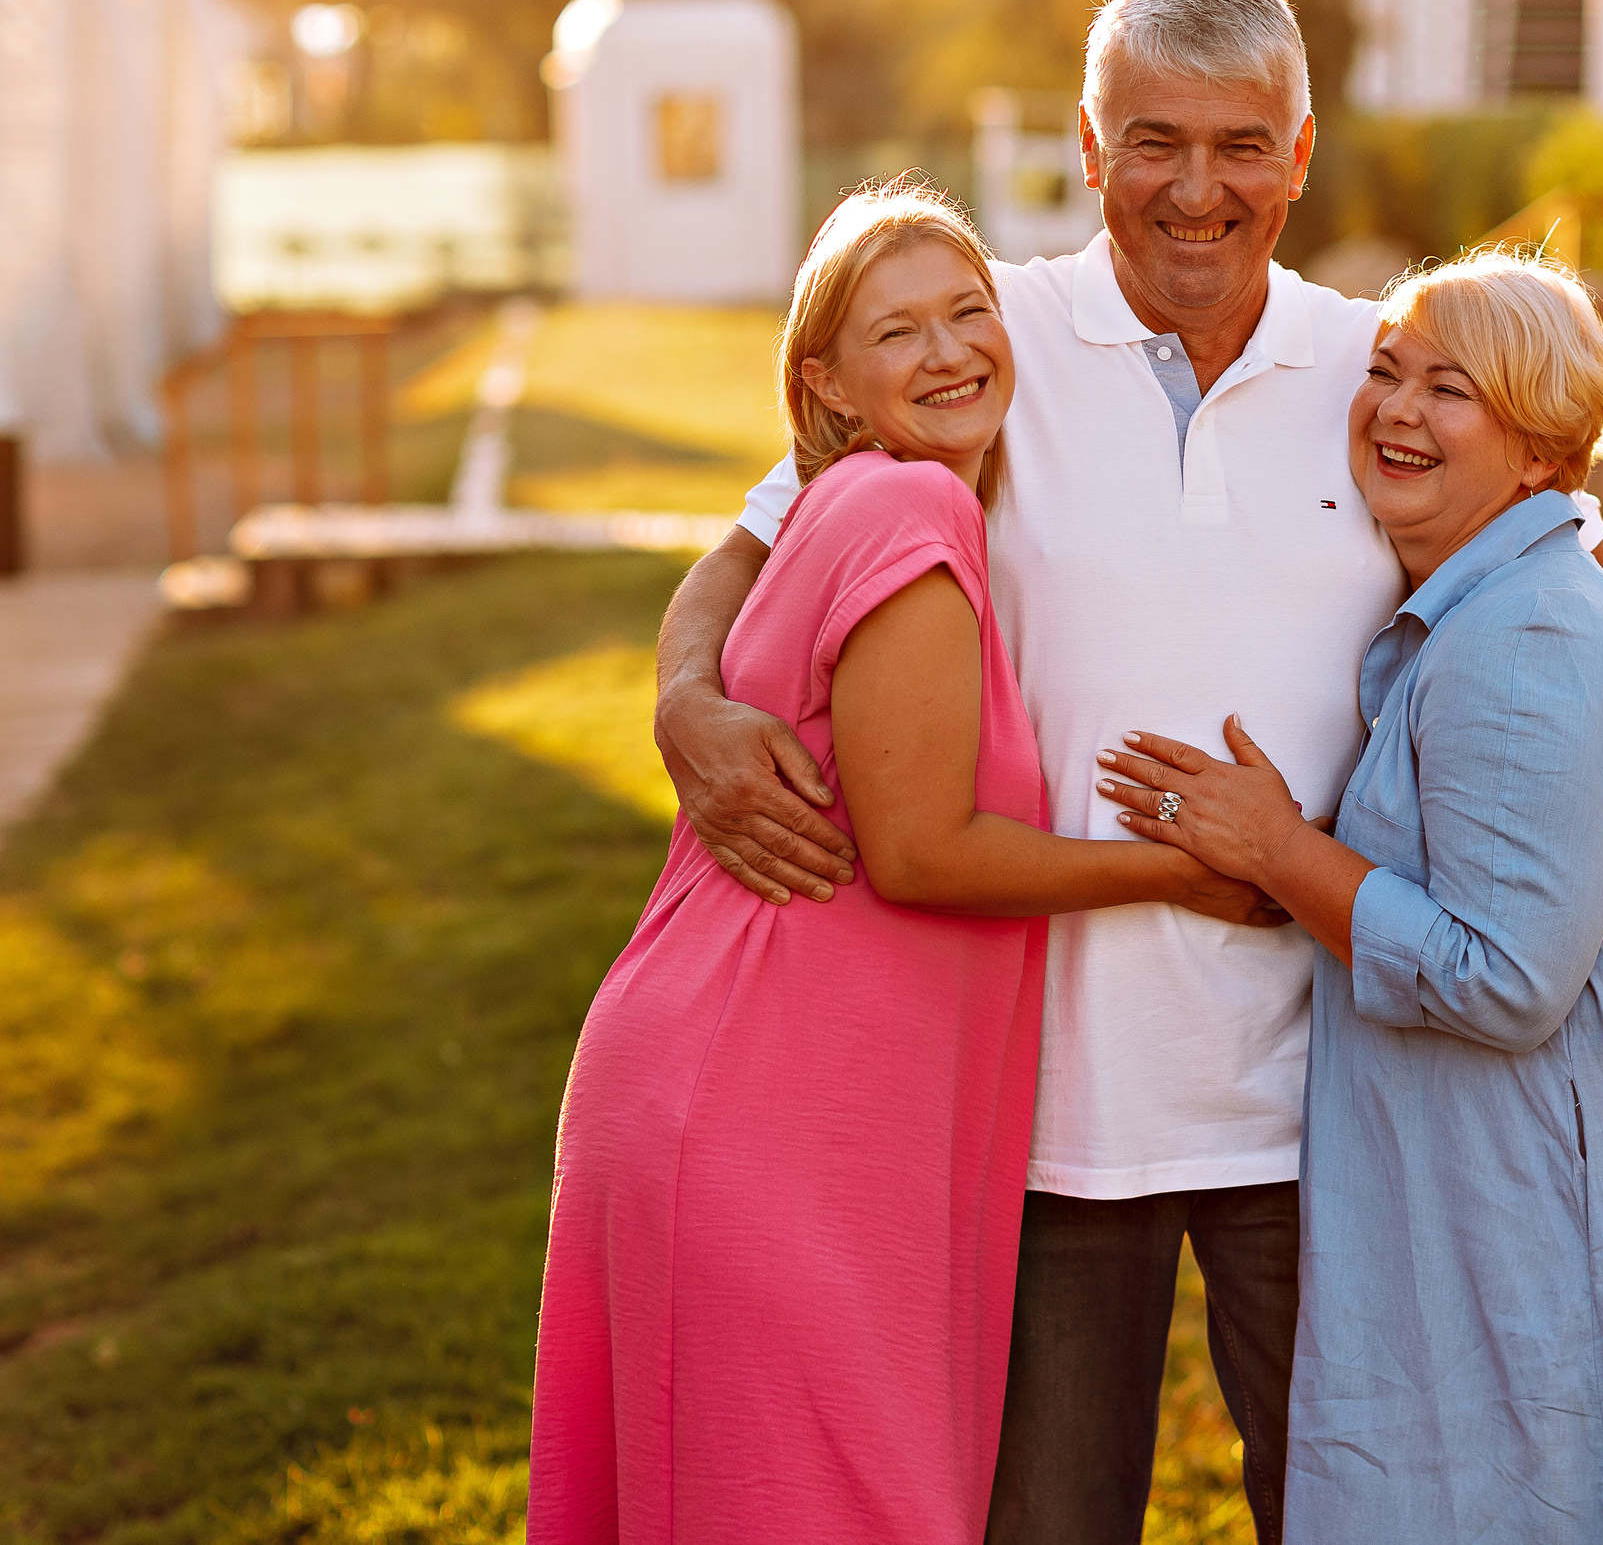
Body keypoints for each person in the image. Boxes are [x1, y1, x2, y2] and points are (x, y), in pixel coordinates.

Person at [648, 0, 1603, 1543]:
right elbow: (755, 541)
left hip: (1335, 1100)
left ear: (1300, 153)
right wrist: (686, 700)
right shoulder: (989, 338)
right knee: (1049, 1523)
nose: (1198, 190)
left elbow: (1595, 578)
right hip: (1043, 1096)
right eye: (1154, 143)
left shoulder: (1374, 366)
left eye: (1241, 146)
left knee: (1364, 1516)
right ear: (1092, 151)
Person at [526, 186, 1282, 1545]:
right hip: (768, 1115)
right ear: (823, 380)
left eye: (967, 315)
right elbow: (926, 854)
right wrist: (1180, 872)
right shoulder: (907, 510)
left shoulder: (846, 502)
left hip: (718, 1087)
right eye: (898, 333)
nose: (947, 355)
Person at [1098, 251, 1603, 1542]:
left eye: (1452, 391)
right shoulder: (1497, 589)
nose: (1395, 409)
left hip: (1569, 1172)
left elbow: (1504, 979)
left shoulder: (1522, 636)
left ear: (1544, 456)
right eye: (1385, 373)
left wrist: (1278, 850)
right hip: (1551, 1154)